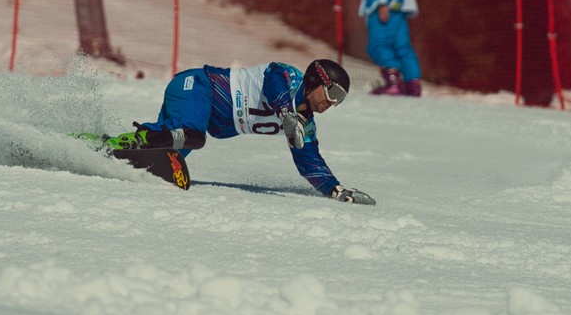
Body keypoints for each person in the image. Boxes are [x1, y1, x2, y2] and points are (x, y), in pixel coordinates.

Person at [96, 59, 375, 205]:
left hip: (203, 116)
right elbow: (273, 82)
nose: (333, 102)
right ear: (315, 80)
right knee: (190, 134)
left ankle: (105, 149)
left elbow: (309, 162)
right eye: (333, 93)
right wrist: (285, 113)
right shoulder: (288, 78)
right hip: (197, 86)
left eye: (340, 99)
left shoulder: (305, 125)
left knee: (166, 155)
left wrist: (336, 190)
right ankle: (138, 141)